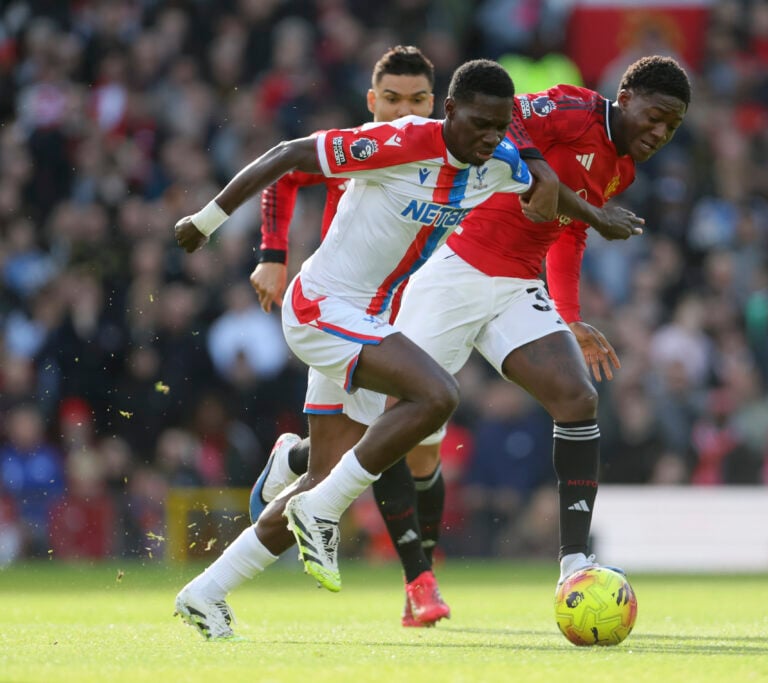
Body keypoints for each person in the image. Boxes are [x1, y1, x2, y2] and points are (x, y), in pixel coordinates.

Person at [259, 55, 691, 592]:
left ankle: (575, 563)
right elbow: (508, 117)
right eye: (655, 116)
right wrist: (542, 171)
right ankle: (298, 461)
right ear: (625, 99)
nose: (660, 132)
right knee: (397, 431)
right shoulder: (574, 107)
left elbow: (569, 233)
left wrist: (570, 316)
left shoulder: (622, 169)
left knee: (578, 398)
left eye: (672, 126)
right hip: (454, 269)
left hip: (517, 285)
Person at [172, 58, 557, 641]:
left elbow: (544, 182)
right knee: (437, 395)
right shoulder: (395, 142)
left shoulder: (494, 163)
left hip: (367, 321)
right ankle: (322, 508)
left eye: (498, 127)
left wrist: (596, 213)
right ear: (449, 110)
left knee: (324, 474)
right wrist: (207, 221)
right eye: (480, 123)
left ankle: (206, 591)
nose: (490, 135)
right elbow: (286, 158)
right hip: (321, 308)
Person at [247, 45, 453, 629]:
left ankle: (293, 457)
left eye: (417, 100)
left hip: (416, 306)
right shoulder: (358, 147)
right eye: (391, 99)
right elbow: (285, 171)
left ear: (434, 103)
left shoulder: (451, 155)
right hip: (347, 310)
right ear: (371, 100)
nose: (403, 111)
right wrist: (273, 254)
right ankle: (419, 581)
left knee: (421, 447)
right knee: (391, 433)